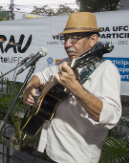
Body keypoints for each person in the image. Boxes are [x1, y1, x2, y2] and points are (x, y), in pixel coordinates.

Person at [22, 12, 122, 163]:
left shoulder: (106, 70)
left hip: (77, 157)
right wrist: (29, 88)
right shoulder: (65, 63)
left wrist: (76, 88)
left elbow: (112, 117)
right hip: (52, 150)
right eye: (66, 38)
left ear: (93, 39)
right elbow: (40, 76)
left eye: (75, 38)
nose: (67, 44)